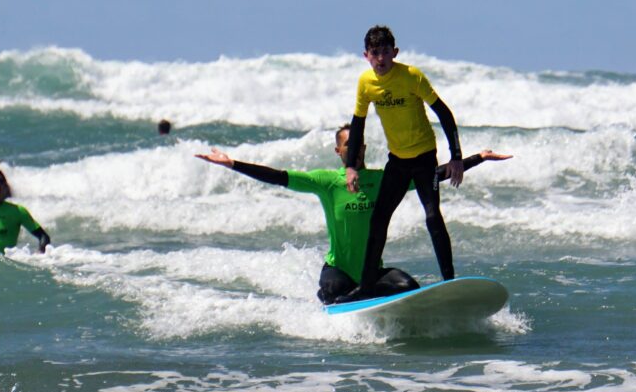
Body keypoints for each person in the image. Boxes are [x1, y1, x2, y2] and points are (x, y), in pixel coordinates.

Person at [197, 125, 509, 304]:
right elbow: (279, 176)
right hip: (340, 271)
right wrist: (232, 164)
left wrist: (477, 158)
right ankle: (347, 301)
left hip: (373, 270)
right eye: (348, 144)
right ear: (339, 151)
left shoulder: (381, 179)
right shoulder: (326, 181)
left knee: (409, 288)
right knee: (333, 291)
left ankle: (367, 297)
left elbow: (435, 174)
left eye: (358, 143)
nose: (354, 148)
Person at [339, 25, 466, 302]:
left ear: (394, 53)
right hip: (397, 161)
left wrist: (456, 157)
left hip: (424, 160)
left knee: (433, 216)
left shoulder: (411, 76)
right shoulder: (365, 83)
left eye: (386, 52)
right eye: (375, 53)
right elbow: (358, 125)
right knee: (378, 220)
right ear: (366, 55)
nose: (381, 59)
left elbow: (444, 113)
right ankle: (367, 284)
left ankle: (449, 281)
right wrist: (350, 166)